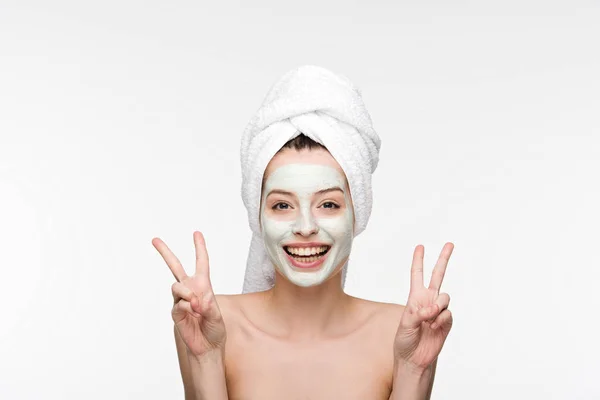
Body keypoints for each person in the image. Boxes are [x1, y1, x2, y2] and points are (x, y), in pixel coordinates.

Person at [152, 66, 454, 400]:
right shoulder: (210, 324)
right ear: (259, 216)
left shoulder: (402, 333)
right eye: (282, 206)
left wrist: (413, 370)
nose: (306, 227)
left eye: (328, 205)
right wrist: (206, 358)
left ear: (358, 213)